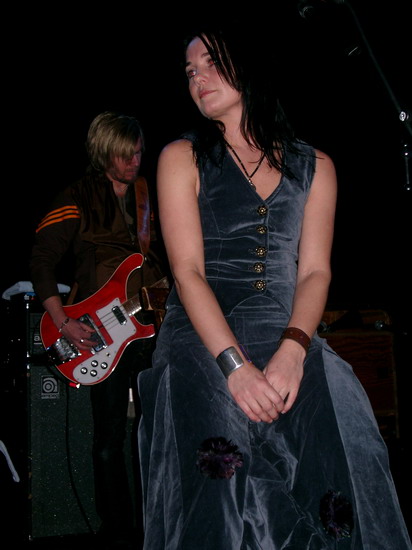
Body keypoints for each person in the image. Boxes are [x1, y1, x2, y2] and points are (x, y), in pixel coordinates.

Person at [136, 24, 412, 550]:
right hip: (202, 339)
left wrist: (294, 350)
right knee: (219, 468)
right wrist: (235, 368)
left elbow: (315, 272)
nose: (198, 78)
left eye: (211, 62)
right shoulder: (181, 157)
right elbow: (188, 272)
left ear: (249, 66)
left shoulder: (316, 165)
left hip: (287, 335)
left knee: (346, 447)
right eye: (190, 71)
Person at [30, 111, 165, 549]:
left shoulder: (148, 197)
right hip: (99, 331)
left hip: (151, 326)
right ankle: (117, 531)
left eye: (138, 153)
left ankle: (156, 526)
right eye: (125, 155)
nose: (134, 162)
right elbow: (42, 261)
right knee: (109, 438)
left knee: (156, 433)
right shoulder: (77, 196)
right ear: (103, 153)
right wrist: (63, 321)